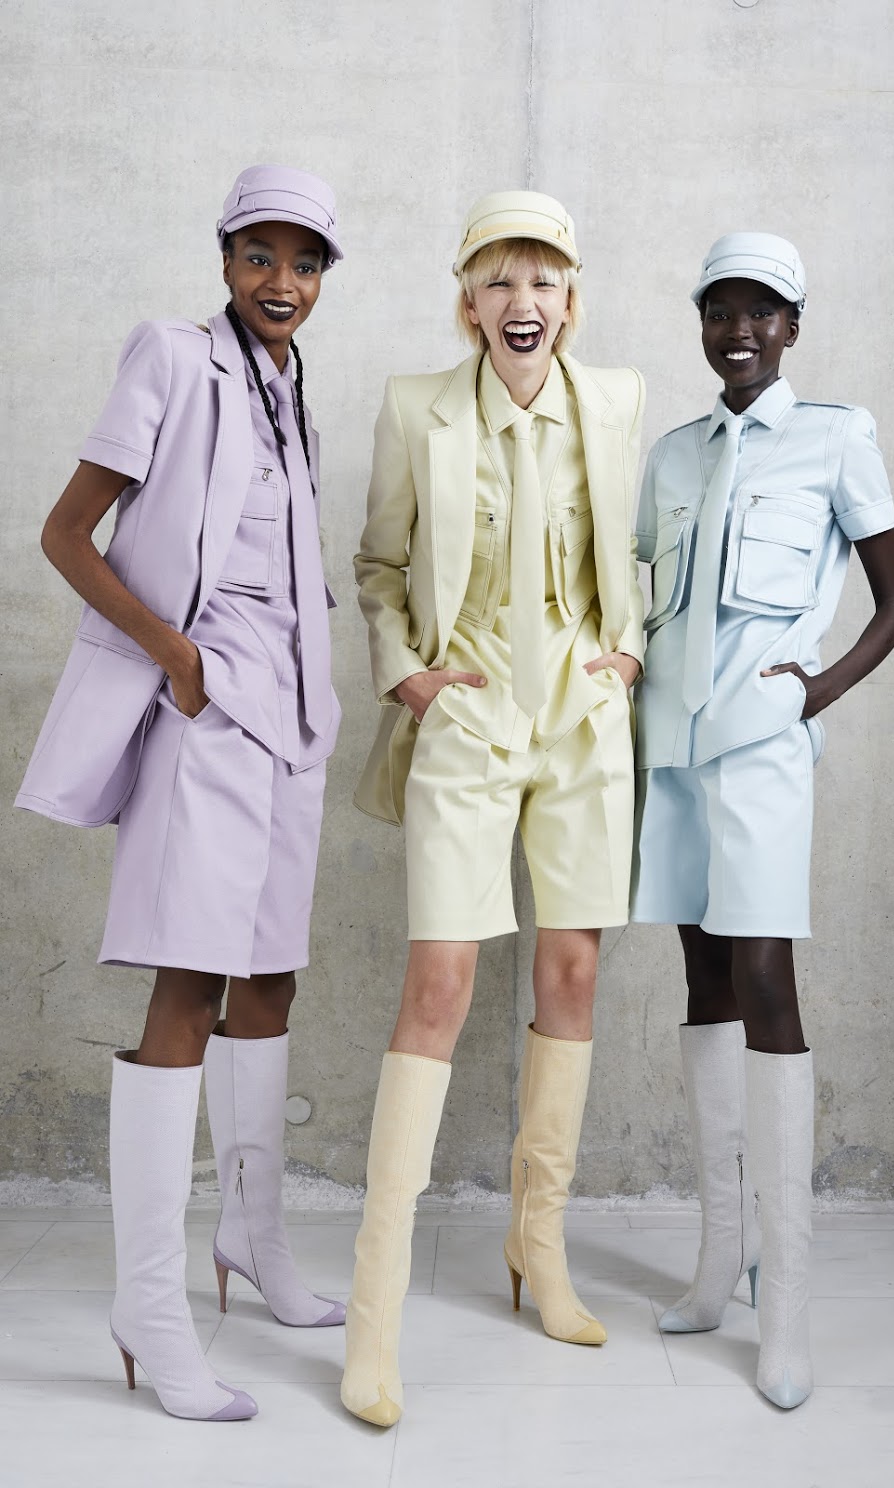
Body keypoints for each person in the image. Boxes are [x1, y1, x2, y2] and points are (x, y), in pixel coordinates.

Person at [15, 165, 347, 1421]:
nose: (281, 282)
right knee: (191, 985)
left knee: (269, 982)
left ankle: (251, 1242)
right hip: (206, 716)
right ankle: (149, 1309)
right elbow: (67, 531)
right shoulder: (170, 354)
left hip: (292, 720)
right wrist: (176, 658)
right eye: (259, 256)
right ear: (223, 261)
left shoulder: (288, 384)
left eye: (304, 262)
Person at [343, 190, 645, 1427]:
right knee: (441, 984)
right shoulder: (415, 407)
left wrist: (625, 651)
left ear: (572, 302)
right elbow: (379, 565)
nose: (523, 302)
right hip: (465, 721)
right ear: (466, 303)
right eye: (498, 281)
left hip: (578, 722)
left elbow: (630, 550)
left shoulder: (616, 402)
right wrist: (409, 675)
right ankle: (372, 1314)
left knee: (570, 971)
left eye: (544, 281)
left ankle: (539, 1247)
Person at [631, 232, 894, 1409]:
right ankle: (717, 1262)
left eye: (760, 312)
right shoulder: (671, 453)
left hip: (759, 748)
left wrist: (812, 693)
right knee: (699, 978)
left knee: (763, 980)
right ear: (701, 323)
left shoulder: (835, 437)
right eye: (719, 311)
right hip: (668, 745)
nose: (736, 330)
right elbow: (639, 597)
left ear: (792, 325)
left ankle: (784, 1305)